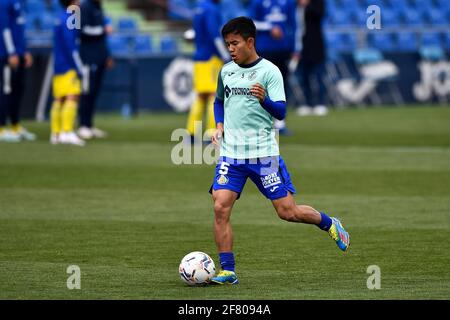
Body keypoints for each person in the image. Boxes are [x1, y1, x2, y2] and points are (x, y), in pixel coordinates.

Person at [209, 17, 349, 285]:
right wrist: (218, 125)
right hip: (232, 155)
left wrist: (265, 100)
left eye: (235, 43)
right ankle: (227, 270)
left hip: (263, 155)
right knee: (220, 207)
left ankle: (330, 223)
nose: (231, 49)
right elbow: (218, 101)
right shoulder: (226, 71)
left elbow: (281, 111)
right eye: (228, 44)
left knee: (287, 212)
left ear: (250, 41)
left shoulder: (270, 72)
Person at [248, 0, 299, 135]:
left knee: (281, 85)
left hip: (283, 49)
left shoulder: (288, 2)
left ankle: (280, 123)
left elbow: (293, 25)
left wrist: (295, 48)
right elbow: (251, 22)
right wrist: (269, 27)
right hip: (264, 49)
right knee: (261, 85)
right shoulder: (257, 2)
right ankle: (259, 123)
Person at [185, 0, 230, 143]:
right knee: (213, 95)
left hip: (199, 57)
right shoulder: (211, 9)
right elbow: (214, 35)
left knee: (200, 96)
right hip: (211, 58)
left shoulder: (199, 8)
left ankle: (191, 133)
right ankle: (211, 133)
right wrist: (225, 55)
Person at [50, 0, 86, 146]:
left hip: (58, 64)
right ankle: (67, 132)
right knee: (72, 96)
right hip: (68, 65)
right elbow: (71, 45)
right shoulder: (70, 17)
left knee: (59, 98)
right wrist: (79, 66)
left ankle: (56, 133)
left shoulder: (61, 16)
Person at [0, 0, 36, 142]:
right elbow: (4, 29)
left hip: (19, 54)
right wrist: (11, 52)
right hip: (7, 55)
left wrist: (25, 51)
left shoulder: (19, 3)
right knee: (6, 90)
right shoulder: (4, 3)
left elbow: (19, 30)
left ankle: (15, 125)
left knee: (18, 90)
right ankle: (1, 128)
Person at [77, 0, 113, 140]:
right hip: (88, 58)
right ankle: (83, 125)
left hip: (99, 57)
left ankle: (89, 125)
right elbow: (82, 30)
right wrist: (103, 30)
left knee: (94, 92)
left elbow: (102, 38)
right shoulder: (84, 7)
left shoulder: (99, 7)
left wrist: (107, 55)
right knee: (87, 91)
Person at [295, 0, 328, 116]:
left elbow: (320, 14)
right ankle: (307, 104)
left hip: (316, 46)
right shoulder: (295, 5)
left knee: (319, 76)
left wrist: (307, 5)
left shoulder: (317, 3)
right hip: (300, 47)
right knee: (304, 77)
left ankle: (321, 103)